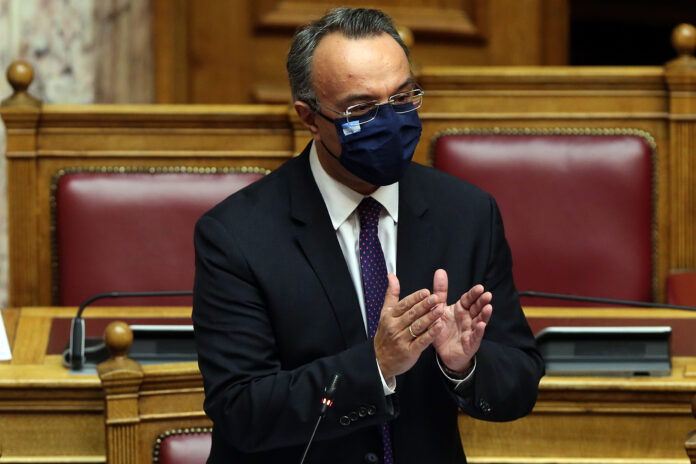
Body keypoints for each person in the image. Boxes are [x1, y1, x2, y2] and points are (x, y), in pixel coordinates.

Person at [193, 7, 544, 464]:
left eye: (402, 98)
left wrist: (464, 366)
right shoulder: (236, 234)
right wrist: (375, 366)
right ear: (309, 117)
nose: (391, 122)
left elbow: (520, 381)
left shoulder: (467, 213)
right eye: (361, 109)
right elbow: (241, 409)